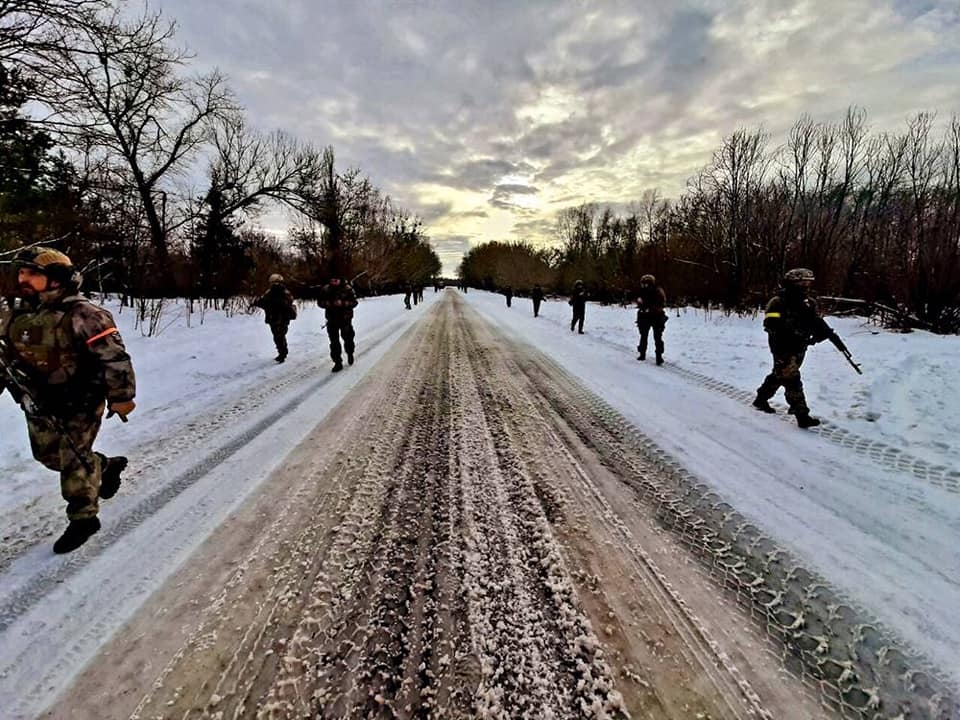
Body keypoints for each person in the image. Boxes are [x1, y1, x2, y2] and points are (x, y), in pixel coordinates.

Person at [0, 247, 136, 553]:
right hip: (37, 399)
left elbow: (114, 358)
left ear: (56, 278)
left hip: (80, 398)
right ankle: (103, 465)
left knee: (73, 459)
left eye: (32, 273)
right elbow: (5, 355)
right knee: (50, 456)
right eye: (21, 272)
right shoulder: (15, 313)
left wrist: (121, 396)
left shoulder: (84, 314)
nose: (23, 278)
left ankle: (84, 519)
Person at [753, 268, 834, 428]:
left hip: (799, 346)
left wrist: (819, 334)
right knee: (792, 379)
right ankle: (801, 414)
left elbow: (814, 322)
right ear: (792, 283)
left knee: (780, 374)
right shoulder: (778, 301)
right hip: (782, 346)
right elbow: (771, 324)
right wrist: (793, 331)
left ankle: (761, 398)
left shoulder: (809, 302)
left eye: (808, 282)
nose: (806, 286)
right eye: (802, 282)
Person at [317, 274, 358, 372]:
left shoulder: (347, 289)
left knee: (348, 339)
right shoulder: (326, 289)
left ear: (340, 280)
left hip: (345, 319)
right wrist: (328, 304)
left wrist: (343, 303)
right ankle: (337, 362)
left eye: (335, 280)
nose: (334, 282)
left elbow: (354, 302)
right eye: (332, 280)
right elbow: (319, 302)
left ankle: (350, 353)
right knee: (334, 342)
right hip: (331, 319)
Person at [253, 274, 296, 363]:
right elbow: (262, 302)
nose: (275, 285)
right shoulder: (269, 292)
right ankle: (282, 352)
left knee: (279, 335)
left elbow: (289, 301)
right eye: (273, 283)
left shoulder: (284, 292)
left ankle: (283, 353)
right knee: (277, 336)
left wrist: (274, 303)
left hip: (282, 317)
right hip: (273, 317)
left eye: (276, 282)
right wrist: (258, 302)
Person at [635, 274, 667, 365]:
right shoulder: (642, 291)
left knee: (656, 337)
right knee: (645, 336)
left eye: (645, 284)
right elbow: (639, 301)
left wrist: (650, 308)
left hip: (655, 316)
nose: (644, 286)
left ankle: (658, 356)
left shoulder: (657, 291)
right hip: (646, 316)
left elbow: (661, 303)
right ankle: (643, 353)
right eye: (643, 284)